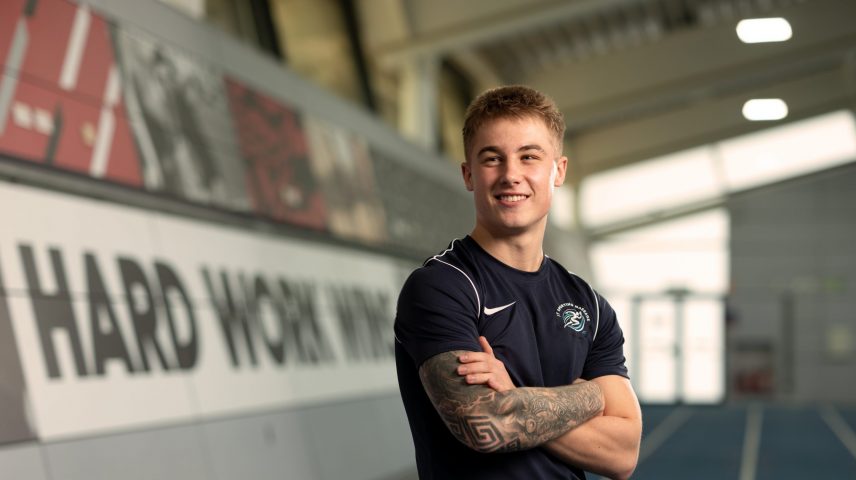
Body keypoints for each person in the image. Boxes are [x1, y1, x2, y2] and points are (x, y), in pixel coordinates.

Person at [394, 85, 642, 480]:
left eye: (529, 156)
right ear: (468, 174)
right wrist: (593, 395)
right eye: (493, 159)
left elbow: (624, 453)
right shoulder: (442, 287)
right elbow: (486, 425)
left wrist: (513, 395)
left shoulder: (589, 305)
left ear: (558, 171)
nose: (511, 175)